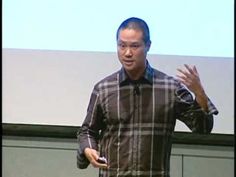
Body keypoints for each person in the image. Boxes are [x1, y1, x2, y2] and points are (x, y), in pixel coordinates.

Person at [77, 17, 218, 177]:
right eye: (122, 45)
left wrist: (199, 94)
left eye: (135, 46)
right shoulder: (103, 88)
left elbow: (203, 128)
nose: (127, 53)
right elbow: (87, 131)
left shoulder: (170, 88)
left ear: (148, 46)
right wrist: (89, 149)